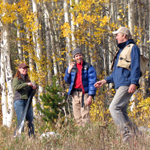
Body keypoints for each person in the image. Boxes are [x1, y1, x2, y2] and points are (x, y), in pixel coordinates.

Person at [94, 27, 141, 141]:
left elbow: (135, 67)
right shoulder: (120, 51)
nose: (116, 37)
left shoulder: (132, 48)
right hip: (120, 84)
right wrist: (104, 80)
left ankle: (126, 136)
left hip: (127, 84)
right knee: (122, 112)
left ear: (124, 35)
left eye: (117, 35)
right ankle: (139, 135)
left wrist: (134, 83)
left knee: (113, 108)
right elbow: (116, 73)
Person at [64, 48, 97, 127]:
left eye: (80, 55)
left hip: (84, 93)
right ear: (74, 58)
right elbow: (67, 80)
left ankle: (87, 133)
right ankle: (81, 133)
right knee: (77, 115)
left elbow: (92, 82)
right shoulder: (72, 67)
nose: (78, 57)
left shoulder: (88, 67)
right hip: (75, 94)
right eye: (77, 56)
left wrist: (90, 96)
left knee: (85, 114)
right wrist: (68, 71)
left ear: (82, 56)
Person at [13, 63, 36, 137]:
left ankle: (32, 137)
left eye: (26, 68)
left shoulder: (27, 79)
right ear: (19, 69)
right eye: (23, 68)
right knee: (21, 121)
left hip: (27, 102)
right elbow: (16, 87)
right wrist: (27, 84)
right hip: (19, 101)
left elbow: (30, 94)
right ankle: (19, 138)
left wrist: (33, 89)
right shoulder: (16, 79)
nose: (25, 70)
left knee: (30, 121)